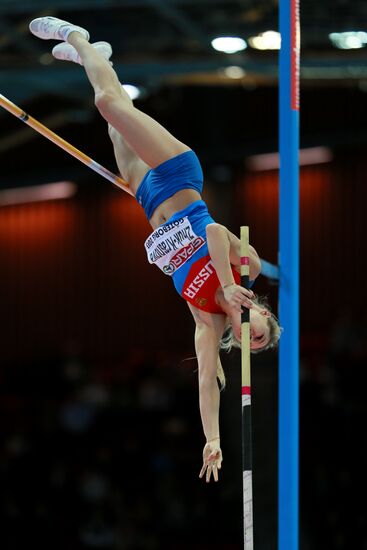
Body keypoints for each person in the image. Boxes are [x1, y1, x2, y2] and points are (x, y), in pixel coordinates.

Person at [29, 16, 281, 483]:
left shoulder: (207, 322)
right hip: (178, 173)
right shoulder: (243, 270)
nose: (251, 334)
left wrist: (213, 439)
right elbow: (215, 234)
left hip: (147, 199)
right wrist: (229, 283)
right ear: (264, 313)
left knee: (115, 124)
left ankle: (100, 56)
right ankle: (77, 36)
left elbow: (208, 383)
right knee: (108, 103)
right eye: (261, 331)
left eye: (250, 342)